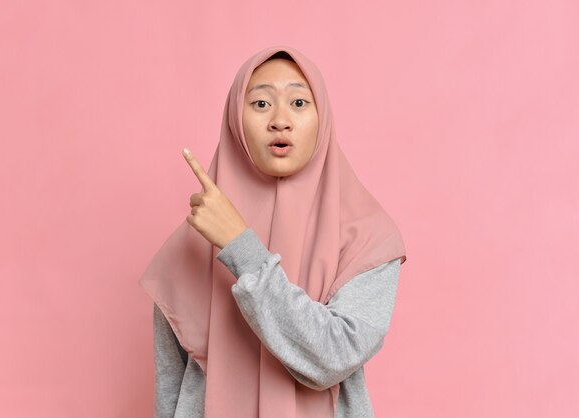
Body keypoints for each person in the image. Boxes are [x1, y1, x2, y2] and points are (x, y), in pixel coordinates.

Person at [139, 46, 407, 418]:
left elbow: (335, 356)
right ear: (235, 120)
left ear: (322, 118)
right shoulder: (191, 244)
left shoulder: (367, 237)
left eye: (299, 102)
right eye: (261, 104)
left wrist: (240, 247)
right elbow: (171, 390)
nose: (280, 120)